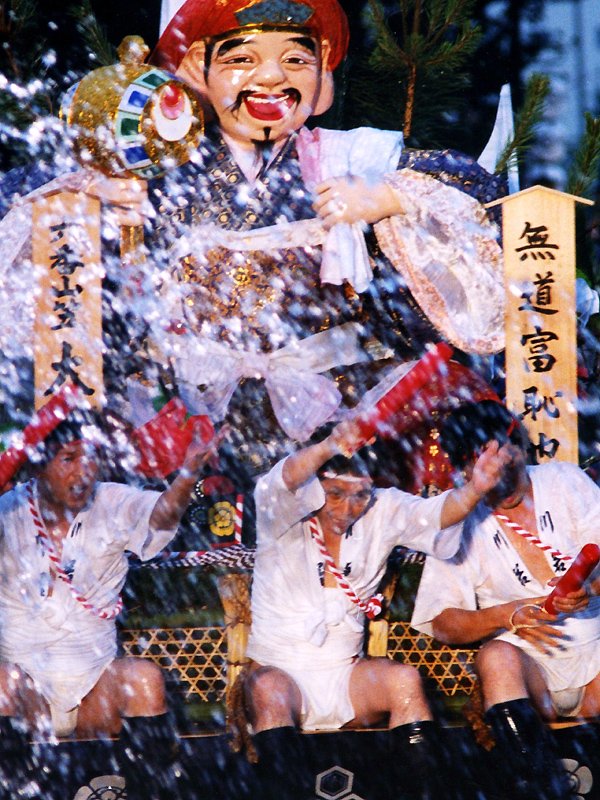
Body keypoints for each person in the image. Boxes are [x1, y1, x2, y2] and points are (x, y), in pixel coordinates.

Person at [0, 0, 506, 490]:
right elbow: (18, 196)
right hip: (190, 410)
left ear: (323, 67)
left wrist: (387, 196)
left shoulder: (353, 158)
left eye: (296, 60)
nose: (271, 77)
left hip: (331, 404)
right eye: (242, 59)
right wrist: (93, 194)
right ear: (198, 68)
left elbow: (483, 192)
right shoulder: (161, 170)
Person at [236, 413, 512, 800]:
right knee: (270, 689)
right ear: (315, 486)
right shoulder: (284, 509)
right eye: (335, 494)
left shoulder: (382, 508)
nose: (348, 508)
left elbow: (435, 516)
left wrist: (475, 489)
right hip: (278, 672)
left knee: (404, 681)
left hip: (345, 674)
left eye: (360, 495)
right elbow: (282, 479)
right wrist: (329, 446)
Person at [0, 407, 225, 799]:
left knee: (144, 680)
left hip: (94, 683)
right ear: (38, 466)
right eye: (69, 459)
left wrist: (189, 473)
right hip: (27, 692)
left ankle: (152, 792)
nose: (83, 472)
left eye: (91, 459)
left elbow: (161, 516)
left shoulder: (112, 500)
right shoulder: (8, 511)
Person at [411, 400, 600, 800]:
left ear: (518, 444)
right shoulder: (459, 518)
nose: (495, 473)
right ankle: (538, 790)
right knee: (496, 656)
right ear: (465, 471)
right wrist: (506, 614)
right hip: (530, 670)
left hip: (594, 650)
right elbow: (441, 622)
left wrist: (591, 589)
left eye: (500, 456)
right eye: (479, 464)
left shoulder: (565, 481)